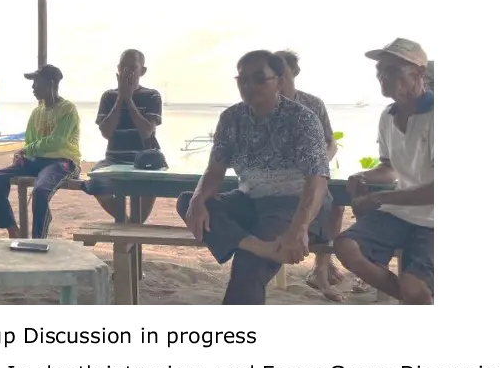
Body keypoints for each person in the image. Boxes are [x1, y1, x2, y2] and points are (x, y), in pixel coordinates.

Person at [177, 49, 331, 306]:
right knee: (188, 202)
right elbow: (214, 170)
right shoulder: (231, 118)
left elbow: (317, 181)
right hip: (250, 201)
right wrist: (198, 199)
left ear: (279, 81)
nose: (249, 85)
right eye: (243, 79)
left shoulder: (302, 120)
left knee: (248, 267)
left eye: (259, 78)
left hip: (295, 205)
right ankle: (258, 246)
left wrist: (299, 228)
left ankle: (254, 250)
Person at [333, 38, 437, 306]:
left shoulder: (438, 115)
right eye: (380, 70)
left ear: (419, 72)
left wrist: (379, 198)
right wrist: (363, 176)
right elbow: (389, 168)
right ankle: (416, 301)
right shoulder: (388, 116)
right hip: (400, 213)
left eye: (392, 70)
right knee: (346, 247)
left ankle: (416, 298)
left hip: (436, 219)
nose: (382, 76)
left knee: (414, 286)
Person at [276, 49, 346, 300]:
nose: (278, 79)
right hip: (281, 180)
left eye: (282, 72)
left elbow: (331, 142)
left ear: (295, 72)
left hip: (313, 172)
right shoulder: (264, 105)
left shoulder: (313, 104)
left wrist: (319, 163)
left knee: (335, 204)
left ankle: (321, 268)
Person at [0, 65, 81, 238]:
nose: (33, 87)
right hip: (37, 162)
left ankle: (38, 239)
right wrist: (23, 155)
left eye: (37, 82)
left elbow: (56, 142)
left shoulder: (68, 109)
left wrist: (28, 149)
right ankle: (12, 229)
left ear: (50, 84)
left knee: (40, 190)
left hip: (63, 162)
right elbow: (30, 142)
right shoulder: (36, 112)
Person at [92, 47, 166, 220]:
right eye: (123, 67)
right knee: (95, 183)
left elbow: (146, 132)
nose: (126, 71)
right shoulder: (108, 97)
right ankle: (124, 221)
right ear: (118, 69)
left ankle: (133, 227)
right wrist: (120, 99)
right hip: (114, 159)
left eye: (132, 67)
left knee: (142, 208)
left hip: (146, 160)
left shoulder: (152, 96)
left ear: (143, 71)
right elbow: (106, 132)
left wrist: (129, 100)